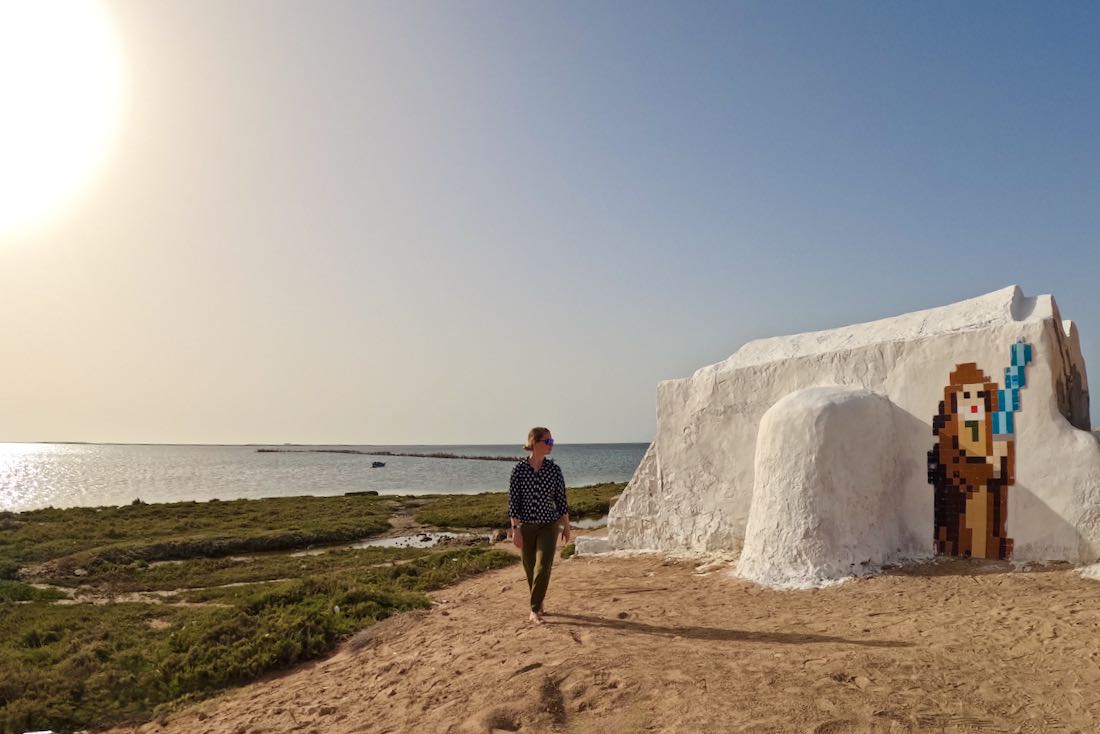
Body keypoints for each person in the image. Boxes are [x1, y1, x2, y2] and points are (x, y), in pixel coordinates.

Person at [508, 426, 571, 624]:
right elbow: (513, 504)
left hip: (548, 526)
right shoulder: (518, 470)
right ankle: (539, 601)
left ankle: (534, 609)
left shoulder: (554, 470)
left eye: (552, 441)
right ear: (535, 443)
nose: (552, 445)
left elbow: (561, 501)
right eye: (548, 441)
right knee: (530, 569)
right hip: (525, 527)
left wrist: (567, 526)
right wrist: (516, 530)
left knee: (543, 567)